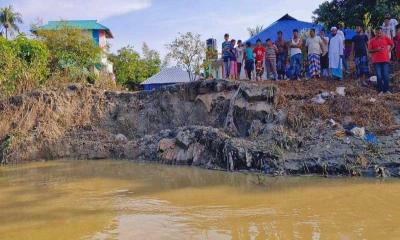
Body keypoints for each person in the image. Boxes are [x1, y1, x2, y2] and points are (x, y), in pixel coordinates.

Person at [368, 27, 394, 94]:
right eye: (377, 32)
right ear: (375, 33)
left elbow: (392, 44)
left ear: (382, 32)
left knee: (386, 75)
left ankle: (386, 90)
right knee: (379, 76)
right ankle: (380, 90)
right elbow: (369, 50)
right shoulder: (372, 40)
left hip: (385, 59)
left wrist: (389, 51)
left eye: (380, 32)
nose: (379, 34)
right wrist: (376, 49)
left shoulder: (385, 38)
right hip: (376, 61)